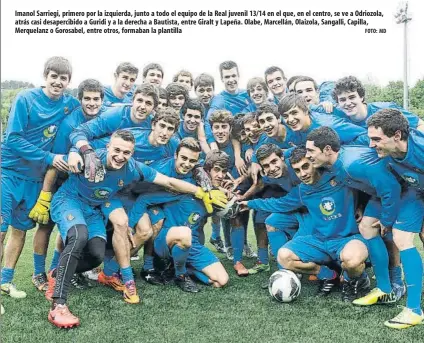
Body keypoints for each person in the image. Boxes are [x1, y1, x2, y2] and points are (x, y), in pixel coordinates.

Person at [45, 130, 227, 327]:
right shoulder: (90, 158)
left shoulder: (132, 168)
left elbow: (168, 181)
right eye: (117, 150)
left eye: (126, 152)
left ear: (132, 153)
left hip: (94, 208)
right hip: (69, 200)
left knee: (96, 255)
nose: (120, 156)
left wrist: (201, 192)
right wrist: (45, 193)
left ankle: (57, 273)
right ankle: (59, 305)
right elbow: (54, 163)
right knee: (78, 235)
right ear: (108, 146)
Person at [240, 147, 371, 302]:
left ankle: (355, 280)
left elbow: (370, 189)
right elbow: (281, 204)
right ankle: (328, 275)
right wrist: (249, 203)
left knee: (352, 260)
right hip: (320, 240)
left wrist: (363, 207)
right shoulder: (302, 190)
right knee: (284, 256)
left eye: (305, 167)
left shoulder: (339, 176)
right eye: (297, 170)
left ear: (314, 162)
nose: (302, 174)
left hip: (347, 237)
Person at [1, 56, 79, 302]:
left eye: (63, 78)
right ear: (45, 76)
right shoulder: (26, 98)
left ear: (68, 81)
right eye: (53, 76)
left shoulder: (70, 104)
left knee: (19, 230)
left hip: (35, 180)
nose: (57, 82)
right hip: (9, 173)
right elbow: (13, 138)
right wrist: (48, 156)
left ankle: (5, 281)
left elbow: (94, 107)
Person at [305, 126, 405, 299]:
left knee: (392, 234)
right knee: (367, 227)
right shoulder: (335, 164)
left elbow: (391, 188)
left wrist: (387, 221)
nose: (307, 155)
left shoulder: (351, 164)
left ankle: (396, 282)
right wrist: (360, 206)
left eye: (310, 150)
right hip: (378, 195)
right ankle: (384, 288)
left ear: (327, 149)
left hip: (402, 190)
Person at [29, 79, 105, 291]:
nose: (92, 103)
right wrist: (45, 195)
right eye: (87, 99)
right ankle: (38, 273)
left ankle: (57, 270)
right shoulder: (71, 122)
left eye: (96, 99)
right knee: (46, 225)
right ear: (79, 100)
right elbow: (58, 160)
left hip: (80, 182)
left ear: (102, 100)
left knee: (68, 230)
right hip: (60, 175)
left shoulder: (105, 116)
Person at [353, 108, 424, 329]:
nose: (371, 145)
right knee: (389, 233)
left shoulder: (420, 148)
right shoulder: (385, 153)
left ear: (397, 136)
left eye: (376, 139)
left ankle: (413, 308)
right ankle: (393, 295)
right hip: (414, 191)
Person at [128, 149, 231, 292]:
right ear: (206, 170)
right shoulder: (186, 187)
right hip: (166, 240)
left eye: (224, 171)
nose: (220, 175)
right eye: (217, 170)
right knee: (184, 233)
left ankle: (183, 267)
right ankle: (180, 275)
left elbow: (201, 222)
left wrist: (232, 200)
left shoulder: (216, 196)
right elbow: (145, 199)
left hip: (192, 245)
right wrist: (130, 225)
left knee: (221, 281)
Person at [332, 76, 424, 131]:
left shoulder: (386, 109)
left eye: (352, 97)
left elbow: (420, 125)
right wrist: (324, 104)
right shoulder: (337, 116)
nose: (348, 103)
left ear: (361, 97)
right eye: (342, 100)